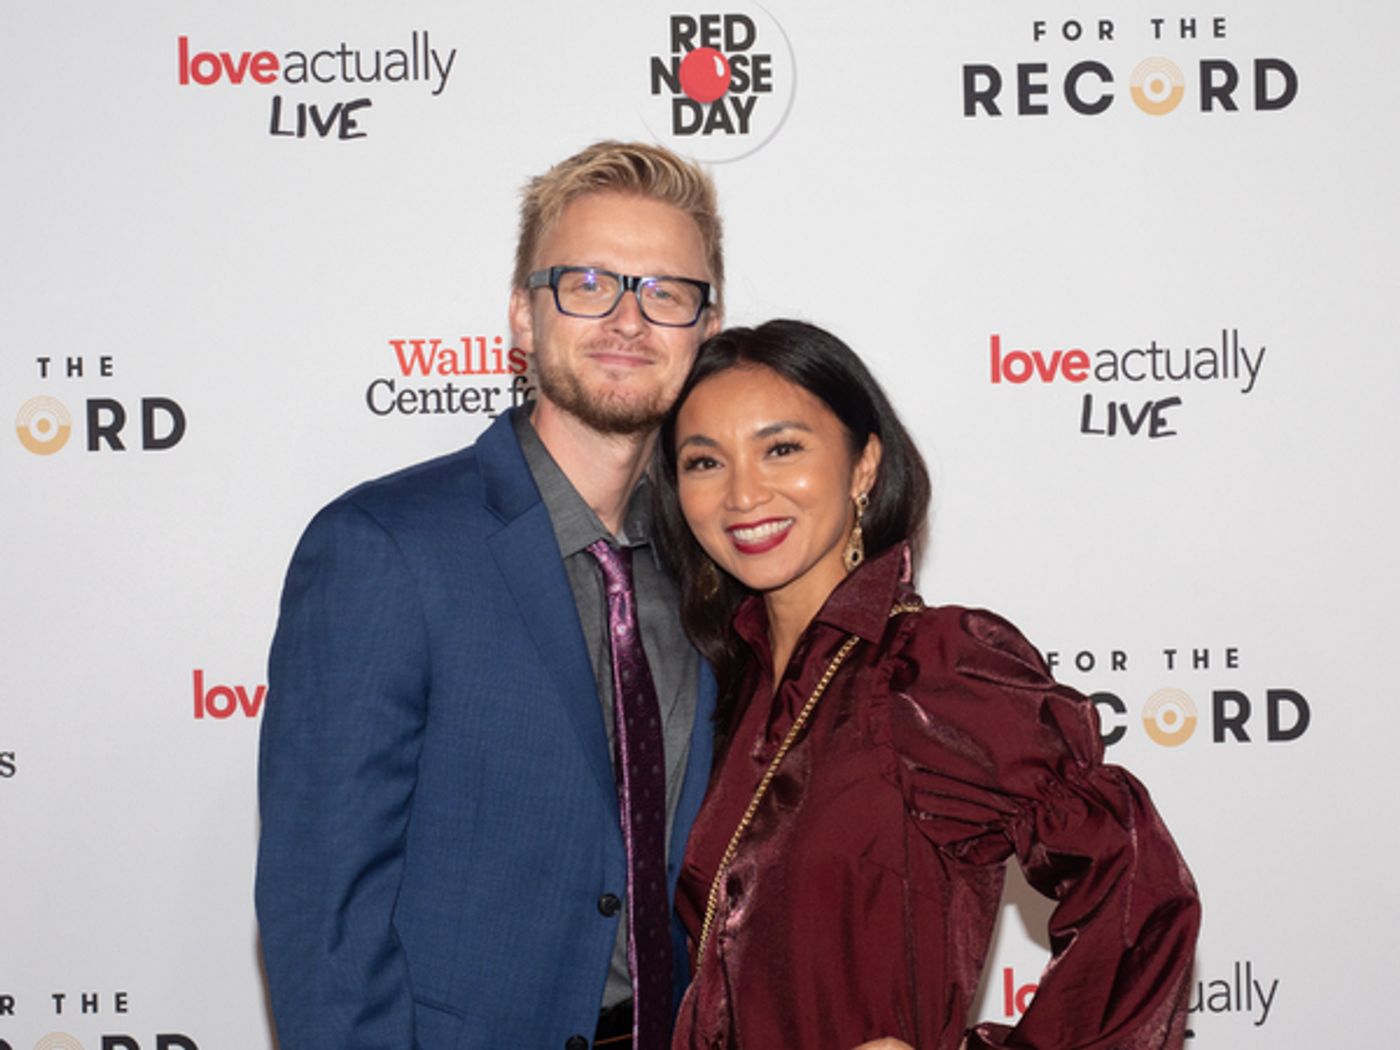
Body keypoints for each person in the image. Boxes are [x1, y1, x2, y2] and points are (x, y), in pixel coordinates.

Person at [255, 141, 726, 1050]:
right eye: (588, 282)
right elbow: (325, 912)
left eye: (666, 292)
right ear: (522, 315)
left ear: (704, 330)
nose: (629, 319)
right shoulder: (382, 548)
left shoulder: (708, 563)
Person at [652, 319, 1202, 1050]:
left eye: (781, 448)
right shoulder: (725, 685)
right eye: (704, 462)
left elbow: (1142, 892)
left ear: (864, 466)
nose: (743, 493)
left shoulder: (930, 667)